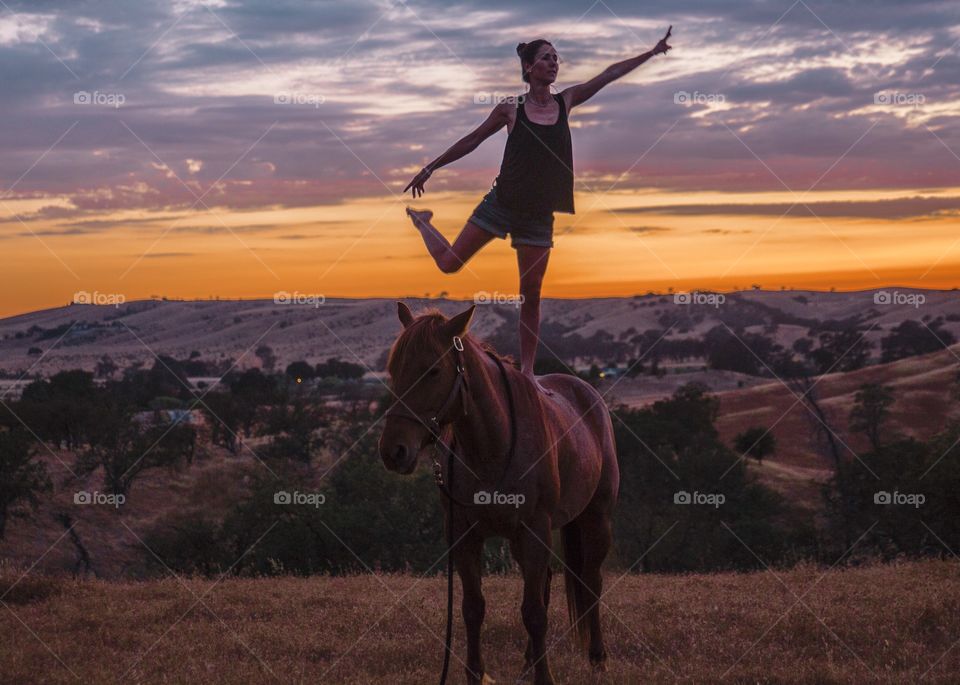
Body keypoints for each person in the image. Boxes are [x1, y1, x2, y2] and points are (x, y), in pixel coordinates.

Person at [404, 28, 672, 394]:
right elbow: (472, 139)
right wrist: (430, 167)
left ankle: (527, 373)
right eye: (546, 57)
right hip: (502, 204)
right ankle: (423, 222)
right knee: (450, 263)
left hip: (538, 215)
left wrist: (653, 52)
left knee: (530, 293)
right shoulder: (510, 109)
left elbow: (609, 74)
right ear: (529, 68)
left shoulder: (567, 101)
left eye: (556, 58)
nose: (553, 63)